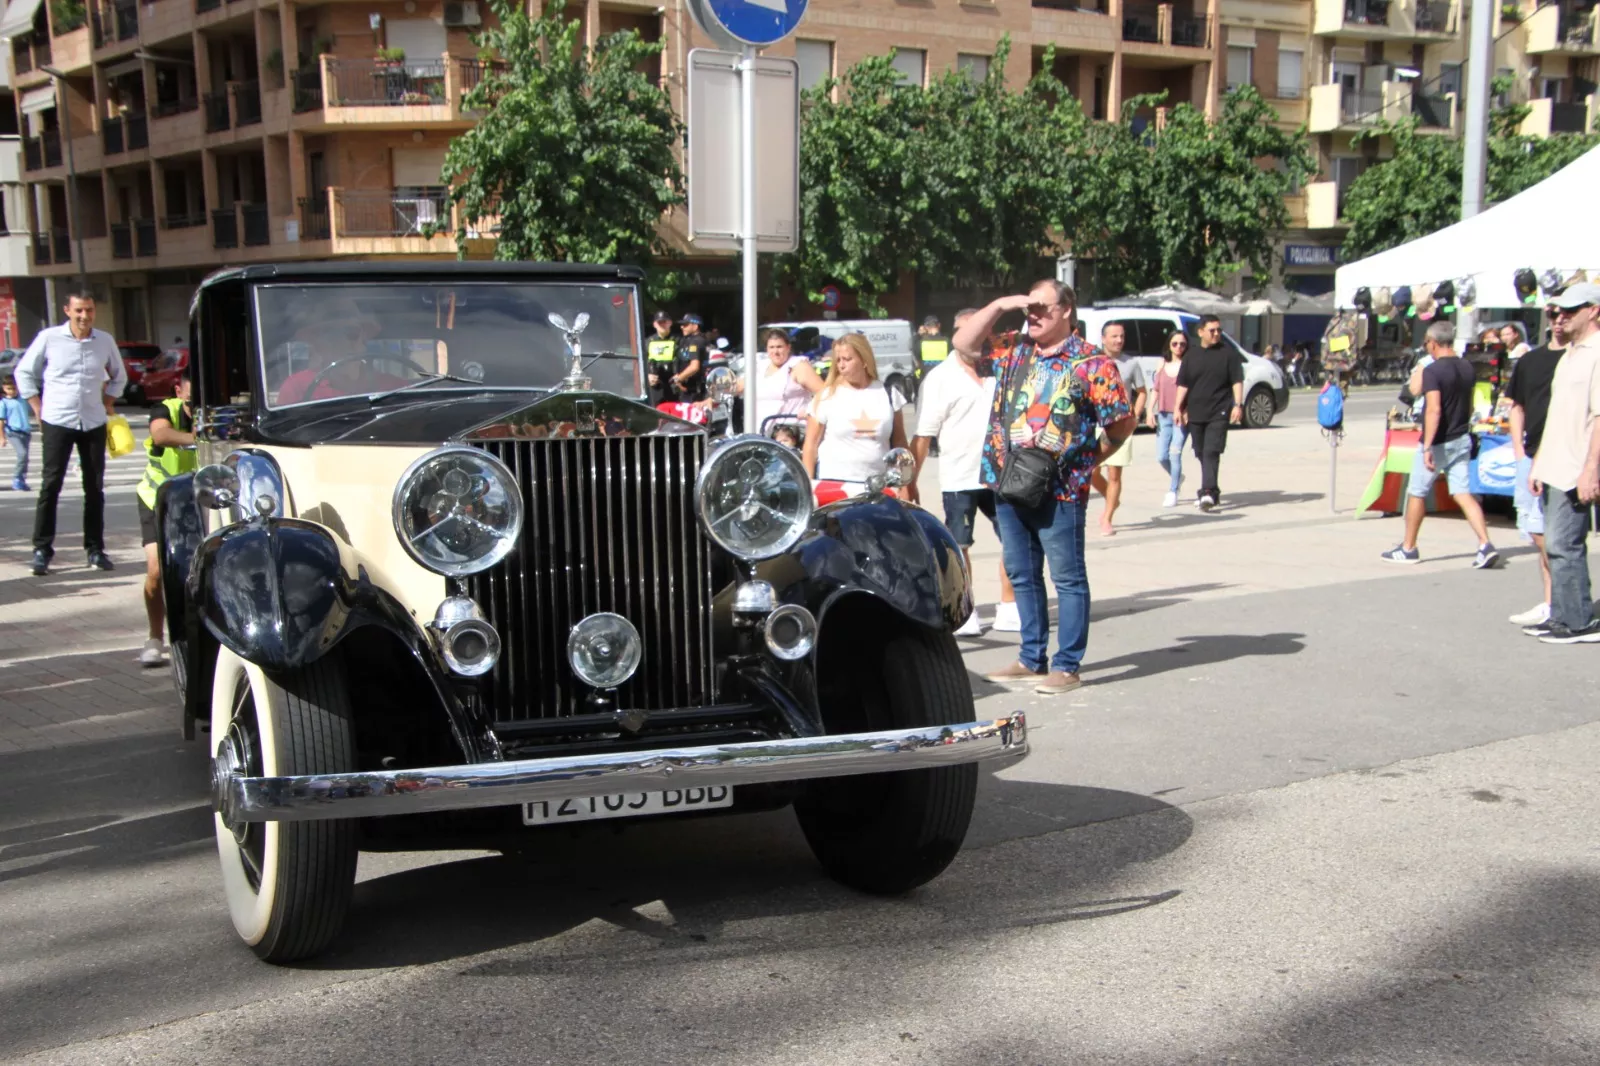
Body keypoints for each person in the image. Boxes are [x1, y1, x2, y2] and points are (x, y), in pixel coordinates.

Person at [954, 280, 1133, 696]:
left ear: (1067, 310)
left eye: (1042, 309)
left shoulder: (1092, 362)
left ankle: (1067, 664)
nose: (1032, 316)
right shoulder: (1015, 349)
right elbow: (963, 344)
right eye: (1028, 309)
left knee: (1067, 577)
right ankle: (1031, 658)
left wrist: (1089, 459)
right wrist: (1000, 304)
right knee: (1021, 571)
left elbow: (1121, 422)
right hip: (1008, 481)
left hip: (1062, 488)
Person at [909, 307, 1019, 638]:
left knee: (1014, 542)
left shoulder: (1002, 368)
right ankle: (967, 609)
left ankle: (1010, 606)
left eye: (978, 330)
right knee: (959, 545)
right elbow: (924, 434)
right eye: (963, 331)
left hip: (1003, 474)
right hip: (959, 476)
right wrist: (909, 482)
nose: (971, 337)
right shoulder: (940, 376)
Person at [14, 290, 127, 576]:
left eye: (89, 310)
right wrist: (37, 407)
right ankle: (41, 550)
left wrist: (108, 402)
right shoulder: (49, 339)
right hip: (57, 421)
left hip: (92, 422)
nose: (84, 316)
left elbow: (120, 376)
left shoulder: (104, 341)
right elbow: (24, 372)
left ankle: (95, 549)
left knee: (95, 488)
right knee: (51, 486)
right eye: (78, 310)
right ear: (67, 310)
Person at [1379, 321, 1500, 569]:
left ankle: (1409, 547)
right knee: (1463, 493)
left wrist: (1427, 446)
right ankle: (1485, 543)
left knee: (1417, 492)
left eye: (1426, 344)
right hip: (1461, 437)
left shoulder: (1433, 371)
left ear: (1433, 343)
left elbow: (1433, 409)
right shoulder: (1467, 367)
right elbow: (1467, 405)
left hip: (1438, 442)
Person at [1528, 283, 1600, 644]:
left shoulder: (1597, 353)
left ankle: (1577, 622)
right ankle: (1563, 614)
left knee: (1563, 544)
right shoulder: (1570, 354)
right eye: (1557, 312)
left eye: (1571, 310)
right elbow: (1556, 415)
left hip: (1576, 467)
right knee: (1555, 546)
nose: (1561, 317)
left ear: (1594, 310)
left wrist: (1590, 470)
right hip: (1556, 464)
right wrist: (1539, 461)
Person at [1504, 305, 1567, 628]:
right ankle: (1552, 601)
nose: (1559, 320)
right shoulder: (1531, 361)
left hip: (1564, 458)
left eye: (1565, 313)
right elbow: (1517, 406)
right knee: (1535, 530)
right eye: (1554, 314)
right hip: (1531, 456)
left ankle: (1563, 601)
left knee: (1554, 536)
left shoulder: (1580, 359)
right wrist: (1519, 451)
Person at [802, 333, 910, 498]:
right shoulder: (826, 396)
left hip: (878, 485)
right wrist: (807, 486)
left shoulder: (887, 393)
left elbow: (900, 443)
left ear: (864, 360)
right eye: (838, 360)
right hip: (833, 485)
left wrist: (904, 485)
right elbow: (810, 446)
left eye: (847, 359)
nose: (841, 365)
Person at [136, 369, 197, 666]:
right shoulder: (165, 410)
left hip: (196, 502)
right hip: (156, 499)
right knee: (156, 570)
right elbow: (160, 433)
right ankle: (154, 637)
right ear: (179, 390)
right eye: (192, 389)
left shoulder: (219, 414)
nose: (198, 396)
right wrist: (195, 438)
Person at [1174, 315, 1242, 512]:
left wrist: (1237, 404)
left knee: (1212, 450)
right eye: (1212, 330)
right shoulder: (1191, 355)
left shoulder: (1229, 354)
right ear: (1200, 331)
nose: (1216, 334)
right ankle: (1211, 489)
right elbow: (1183, 384)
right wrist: (1178, 408)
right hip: (1195, 412)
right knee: (1201, 451)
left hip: (1219, 410)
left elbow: (1237, 380)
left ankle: (1208, 492)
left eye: (1218, 330)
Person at [273, 297, 395, 405]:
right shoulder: (297, 387)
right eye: (332, 335)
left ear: (363, 340)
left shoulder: (393, 388)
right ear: (318, 345)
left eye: (351, 333)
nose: (344, 343)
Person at [1090, 322, 1145, 535]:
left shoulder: (1131, 363)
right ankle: (1111, 498)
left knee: (1115, 474)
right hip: (1095, 424)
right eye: (1114, 336)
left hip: (1120, 424)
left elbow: (1142, 391)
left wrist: (1135, 415)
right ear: (1103, 339)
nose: (1119, 340)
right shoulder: (1094, 361)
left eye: (1121, 336)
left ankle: (1107, 517)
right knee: (1091, 470)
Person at [742, 328, 824, 438]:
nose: (775, 352)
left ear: (788, 347)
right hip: (761, 433)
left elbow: (824, 392)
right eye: (771, 347)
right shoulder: (760, 367)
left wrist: (810, 409)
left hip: (790, 435)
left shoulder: (798, 365)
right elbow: (736, 386)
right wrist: (714, 396)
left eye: (779, 347)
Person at [1147, 330, 1189, 507]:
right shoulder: (1162, 364)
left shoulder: (1188, 364)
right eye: (1175, 343)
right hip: (1164, 414)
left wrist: (1186, 409)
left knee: (1175, 453)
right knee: (1161, 456)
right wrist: (1150, 411)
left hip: (1181, 415)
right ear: (1169, 345)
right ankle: (1178, 476)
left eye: (1182, 344)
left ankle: (1173, 490)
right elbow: (1155, 389)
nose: (1178, 347)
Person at [1, 375, 32, 491]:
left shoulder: (23, 399)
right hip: (13, 432)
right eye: (9, 389)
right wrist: (2, 437)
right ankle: (17, 478)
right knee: (22, 454)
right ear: (4, 388)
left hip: (25, 432)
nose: (12, 391)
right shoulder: (3, 403)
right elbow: (1, 421)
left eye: (14, 388)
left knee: (25, 458)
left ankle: (22, 479)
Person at [669, 313, 708, 402]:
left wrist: (678, 379)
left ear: (695, 326)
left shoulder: (696, 341)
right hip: (687, 387)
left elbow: (694, 367)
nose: (682, 327)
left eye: (685, 325)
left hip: (694, 390)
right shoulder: (687, 340)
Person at [646, 310, 677, 406]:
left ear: (670, 323)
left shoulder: (678, 340)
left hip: (674, 385)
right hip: (656, 386)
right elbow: (641, 362)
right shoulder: (648, 342)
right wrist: (647, 376)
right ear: (654, 324)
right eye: (659, 322)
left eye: (665, 321)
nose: (662, 325)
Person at [916, 315, 950, 382]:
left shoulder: (921, 342)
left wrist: (918, 335)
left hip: (926, 378)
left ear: (925, 327)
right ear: (939, 325)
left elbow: (914, 352)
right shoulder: (947, 341)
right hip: (943, 378)